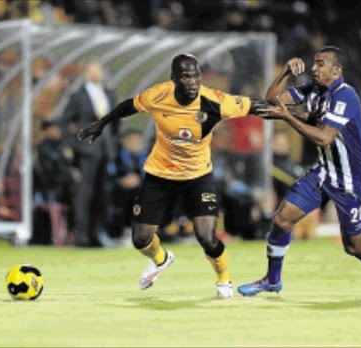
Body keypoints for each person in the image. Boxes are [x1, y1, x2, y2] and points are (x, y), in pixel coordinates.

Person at [78, 53, 275, 297]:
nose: (192, 82)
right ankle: (161, 259)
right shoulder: (159, 95)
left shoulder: (213, 100)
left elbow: (253, 105)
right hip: (160, 174)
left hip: (198, 176)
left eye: (196, 76)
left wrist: (293, 114)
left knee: (206, 237)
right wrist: (102, 123)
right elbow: (129, 106)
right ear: (174, 79)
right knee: (140, 239)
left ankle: (223, 280)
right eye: (185, 76)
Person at [238, 46, 361, 298]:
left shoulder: (345, 96)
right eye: (314, 63)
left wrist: (287, 117)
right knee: (281, 220)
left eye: (320, 64)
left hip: (352, 181)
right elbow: (274, 99)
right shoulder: (314, 91)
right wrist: (284, 72)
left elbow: (325, 138)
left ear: (336, 70)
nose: (314, 68)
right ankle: (272, 280)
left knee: (354, 246)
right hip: (323, 173)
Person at [61, 61, 119, 247]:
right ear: (86, 73)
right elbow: (64, 121)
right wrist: (74, 144)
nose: (96, 73)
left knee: (103, 194)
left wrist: (112, 142)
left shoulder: (109, 93)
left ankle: (98, 233)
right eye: (92, 70)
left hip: (105, 149)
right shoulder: (77, 95)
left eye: (99, 70)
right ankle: (82, 235)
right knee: (84, 193)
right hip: (86, 150)